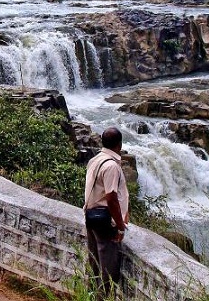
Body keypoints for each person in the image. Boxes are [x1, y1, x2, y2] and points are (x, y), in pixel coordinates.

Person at [84, 127, 129, 298]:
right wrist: (119, 226)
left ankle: (91, 296)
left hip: (91, 216)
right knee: (108, 270)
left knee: (94, 264)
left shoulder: (94, 160)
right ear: (119, 145)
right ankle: (102, 297)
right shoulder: (111, 166)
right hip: (104, 222)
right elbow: (111, 197)